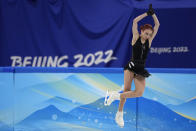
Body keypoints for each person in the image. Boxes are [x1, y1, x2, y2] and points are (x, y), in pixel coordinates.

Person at [104, 4, 160, 127]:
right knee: (127, 90)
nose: (148, 36)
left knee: (139, 92)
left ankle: (114, 95)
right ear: (141, 32)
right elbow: (134, 21)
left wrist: (153, 14)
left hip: (140, 69)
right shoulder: (135, 38)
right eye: (146, 33)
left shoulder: (149, 41)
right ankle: (119, 114)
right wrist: (146, 14)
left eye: (150, 34)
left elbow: (157, 25)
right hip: (131, 66)